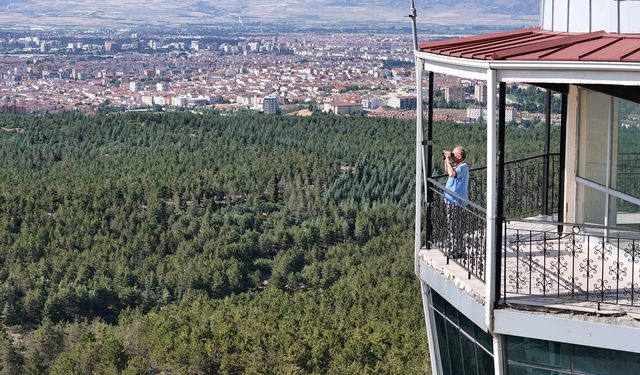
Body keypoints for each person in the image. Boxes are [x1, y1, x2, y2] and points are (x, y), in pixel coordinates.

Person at [443, 146, 469, 259]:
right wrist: (447, 160)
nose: (452, 156)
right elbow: (447, 170)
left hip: (455, 201)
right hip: (452, 200)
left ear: (459, 156)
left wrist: (449, 160)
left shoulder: (463, 167)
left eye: (454, 154)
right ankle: (457, 249)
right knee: (454, 226)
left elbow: (451, 174)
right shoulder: (458, 165)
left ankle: (457, 251)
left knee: (455, 227)